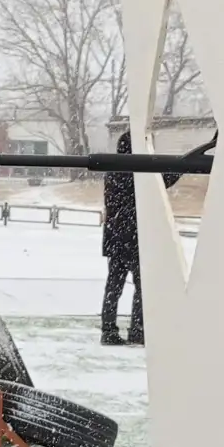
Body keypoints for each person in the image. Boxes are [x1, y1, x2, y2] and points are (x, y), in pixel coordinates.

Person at [100, 129, 143, 345]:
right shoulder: (138, 173)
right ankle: (137, 329)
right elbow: (163, 180)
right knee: (141, 287)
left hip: (115, 236)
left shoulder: (113, 172)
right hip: (133, 237)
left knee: (113, 287)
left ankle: (108, 330)